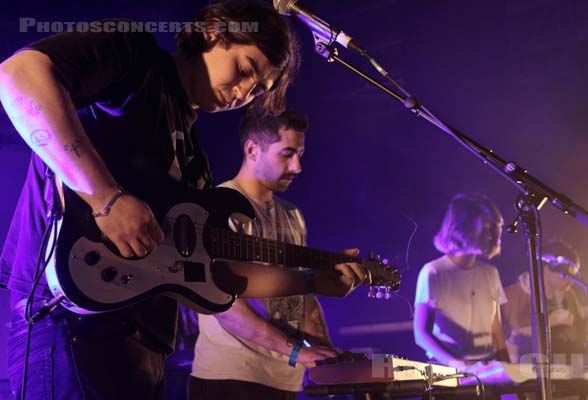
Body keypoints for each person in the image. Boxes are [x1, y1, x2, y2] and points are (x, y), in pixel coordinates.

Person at [0, 1, 364, 399]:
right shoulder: (133, 55)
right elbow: (19, 75)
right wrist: (106, 198)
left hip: (144, 348)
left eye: (258, 89)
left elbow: (220, 274)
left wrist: (313, 278)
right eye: (244, 70)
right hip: (70, 324)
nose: (243, 92)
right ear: (212, 32)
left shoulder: (194, 161)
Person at [189, 109, 362, 400]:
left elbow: (305, 298)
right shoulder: (219, 207)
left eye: (300, 154)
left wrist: (328, 353)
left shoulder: (293, 216)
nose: (297, 166)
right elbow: (222, 304)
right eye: (287, 154)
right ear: (252, 149)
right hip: (231, 379)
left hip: (286, 381)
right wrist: (295, 351)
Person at [413, 193, 510, 371]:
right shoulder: (434, 272)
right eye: (485, 229)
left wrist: (508, 369)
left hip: (486, 369)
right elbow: (421, 333)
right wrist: (458, 365)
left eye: (492, 230)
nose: (490, 236)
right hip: (447, 371)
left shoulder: (490, 273)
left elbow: (496, 329)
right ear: (463, 228)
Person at [502, 239, 587, 364]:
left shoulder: (569, 296)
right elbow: (502, 339)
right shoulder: (511, 295)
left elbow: (581, 334)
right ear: (547, 269)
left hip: (563, 367)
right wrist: (549, 323)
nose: (572, 281)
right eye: (568, 275)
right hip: (524, 369)